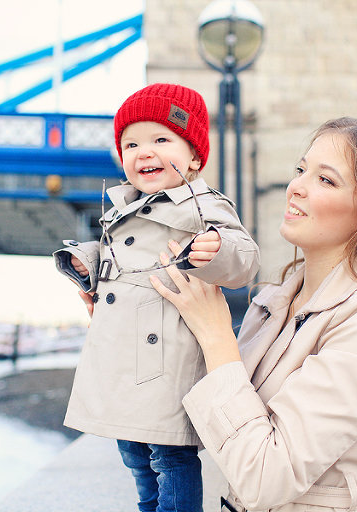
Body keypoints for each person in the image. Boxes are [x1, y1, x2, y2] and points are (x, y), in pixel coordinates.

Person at [149, 117, 357, 512]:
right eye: (301, 170)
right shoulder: (273, 303)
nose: (297, 187)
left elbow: (266, 477)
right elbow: (217, 424)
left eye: (326, 180)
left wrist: (217, 335)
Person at [54, 83, 260, 512]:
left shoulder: (201, 203)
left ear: (194, 157)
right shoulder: (122, 208)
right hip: (123, 355)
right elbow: (124, 261)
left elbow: (245, 261)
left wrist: (217, 249)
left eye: (161, 139)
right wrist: (89, 261)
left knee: (169, 456)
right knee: (133, 454)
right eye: (131, 144)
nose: (143, 152)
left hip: (165, 356)